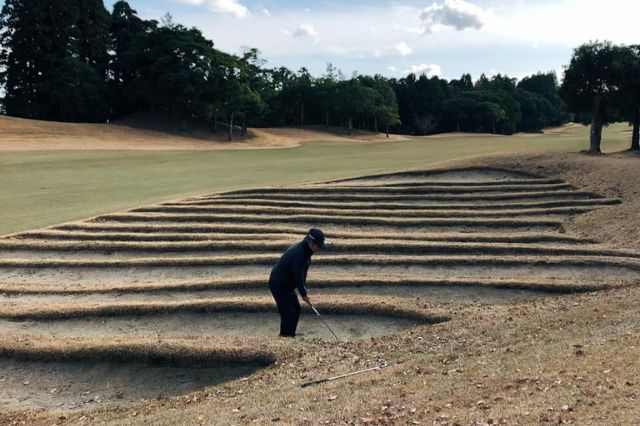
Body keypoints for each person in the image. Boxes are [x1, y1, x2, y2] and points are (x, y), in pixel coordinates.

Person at [269, 228, 326, 337]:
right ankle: (285, 337)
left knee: (296, 308)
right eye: (318, 246)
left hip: (287, 284)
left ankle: (291, 334)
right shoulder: (299, 254)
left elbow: (303, 274)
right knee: (288, 313)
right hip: (278, 284)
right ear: (311, 243)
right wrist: (303, 294)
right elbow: (298, 277)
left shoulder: (306, 251)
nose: (319, 249)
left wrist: (304, 289)